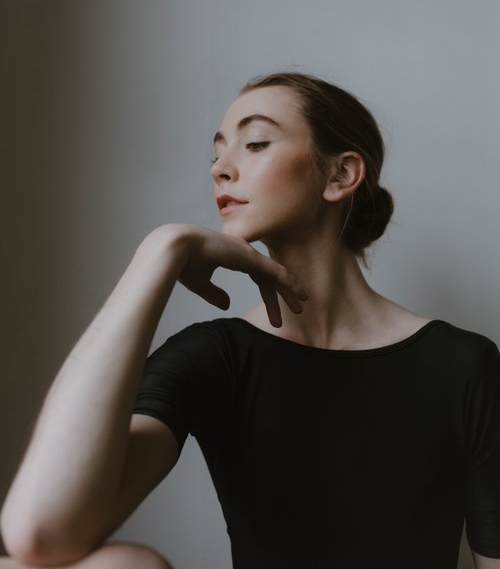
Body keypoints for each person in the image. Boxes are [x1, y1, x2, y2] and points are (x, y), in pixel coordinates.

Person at [1, 71, 499, 569]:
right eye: (216, 154)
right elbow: (40, 532)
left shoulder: (461, 365)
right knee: (121, 565)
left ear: (341, 175)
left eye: (255, 143)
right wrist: (160, 252)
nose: (221, 169)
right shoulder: (215, 358)